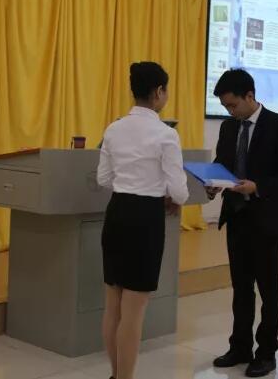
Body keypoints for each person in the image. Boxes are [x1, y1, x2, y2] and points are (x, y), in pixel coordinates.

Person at [97, 62, 189, 379]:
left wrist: (131, 183)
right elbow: (179, 191)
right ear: (158, 92)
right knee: (134, 313)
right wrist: (162, 191)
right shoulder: (166, 134)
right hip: (146, 219)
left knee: (113, 305)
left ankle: (115, 374)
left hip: (117, 212)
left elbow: (103, 178)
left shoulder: (113, 129)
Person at [206, 69, 278, 377]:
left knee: (269, 291)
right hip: (236, 216)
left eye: (233, 105)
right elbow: (222, 163)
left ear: (250, 96)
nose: (230, 112)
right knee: (241, 289)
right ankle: (240, 347)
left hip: (267, 219)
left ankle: (266, 352)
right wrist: (213, 182)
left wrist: (257, 186)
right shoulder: (228, 127)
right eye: (225, 107)